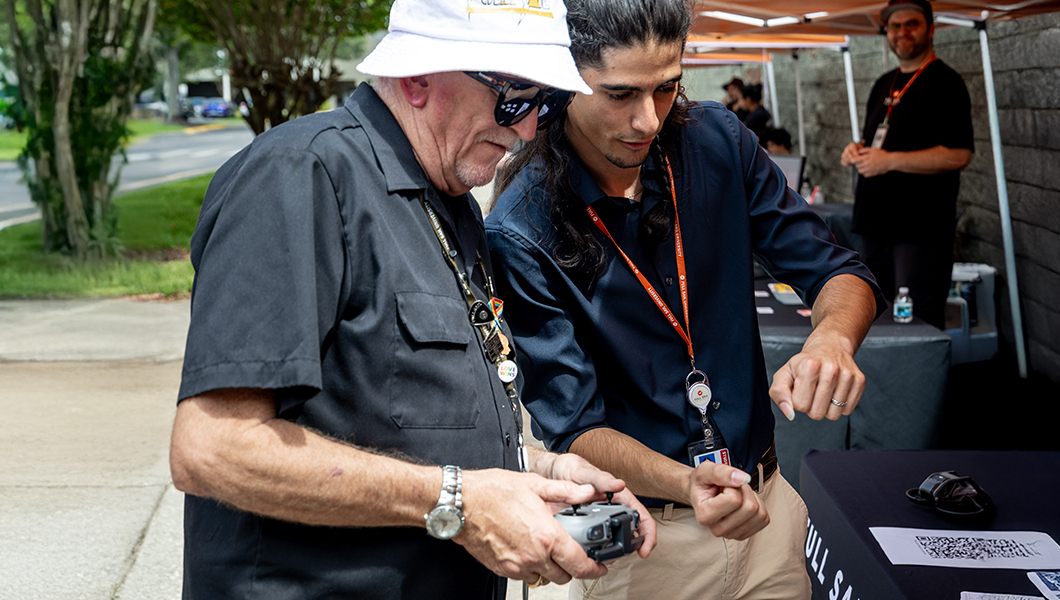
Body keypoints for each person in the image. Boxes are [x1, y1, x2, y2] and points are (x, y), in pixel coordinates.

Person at [168, 0, 656, 598]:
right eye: (515, 98)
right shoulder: (301, 174)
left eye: (546, 104)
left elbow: (403, 424)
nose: (528, 128)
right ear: (419, 77)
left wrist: (534, 470)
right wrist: (458, 500)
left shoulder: (447, 200)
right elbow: (212, 448)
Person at [484, 0, 885, 598]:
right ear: (563, 84)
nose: (647, 119)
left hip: (768, 516)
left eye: (667, 88)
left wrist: (831, 336)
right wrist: (687, 481)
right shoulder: (522, 227)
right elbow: (573, 429)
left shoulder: (718, 140)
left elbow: (838, 271)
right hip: (644, 546)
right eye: (620, 94)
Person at [841, 0, 973, 329]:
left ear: (930, 28)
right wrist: (856, 150)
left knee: (915, 325)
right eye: (894, 26)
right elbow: (877, 141)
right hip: (873, 226)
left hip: (919, 232)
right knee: (872, 319)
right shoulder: (885, 81)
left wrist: (889, 161)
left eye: (911, 24)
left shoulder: (946, 83)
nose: (902, 32)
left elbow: (959, 154)